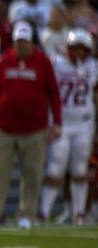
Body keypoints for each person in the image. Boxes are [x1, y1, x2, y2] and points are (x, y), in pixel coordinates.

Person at [0, 23, 62, 229]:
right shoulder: (5, 60)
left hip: (35, 129)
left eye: (24, 42)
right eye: (18, 42)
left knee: (32, 174)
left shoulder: (43, 62)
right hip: (5, 128)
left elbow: (53, 94)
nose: (21, 46)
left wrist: (57, 122)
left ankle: (27, 214)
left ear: (31, 42)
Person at [38, 30, 96, 224]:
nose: (78, 53)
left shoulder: (93, 66)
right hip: (60, 124)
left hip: (84, 124)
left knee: (80, 169)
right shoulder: (56, 64)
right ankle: (43, 212)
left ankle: (79, 213)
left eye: (82, 49)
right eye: (75, 49)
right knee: (55, 168)